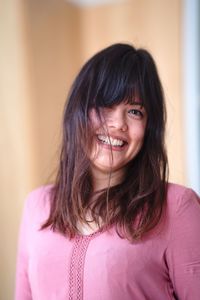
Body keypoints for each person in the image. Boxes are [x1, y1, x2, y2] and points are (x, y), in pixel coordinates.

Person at [15, 43, 200, 300]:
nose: (117, 124)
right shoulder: (37, 205)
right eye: (105, 105)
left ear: (149, 129)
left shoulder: (178, 207)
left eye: (135, 112)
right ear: (77, 113)